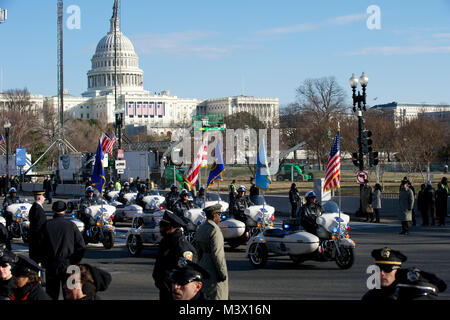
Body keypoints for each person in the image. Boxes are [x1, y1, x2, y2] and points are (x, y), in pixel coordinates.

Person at [38, 201, 86, 300]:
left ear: (53, 211)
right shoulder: (71, 225)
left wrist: (44, 262)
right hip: (69, 265)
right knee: (70, 294)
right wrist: (75, 261)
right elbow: (81, 245)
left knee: (51, 294)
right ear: (64, 211)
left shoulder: (46, 225)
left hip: (52, 265)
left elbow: (40, 246)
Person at [152, 210, 197, 300]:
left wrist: (170, 286)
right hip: (165, 290)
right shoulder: (166, 242)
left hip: (177, 292)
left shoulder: (182, 246)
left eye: (163, 226)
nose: (160, 229)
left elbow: (187, 272)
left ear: (171, 227)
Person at [193, 204, 229, 300]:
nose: (220, 217)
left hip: (203, 267)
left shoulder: (201, 228)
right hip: (214, 271)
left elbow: (198, 250)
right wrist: (222, 273)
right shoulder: (215, 230)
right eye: (219, 214)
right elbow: (218, 255)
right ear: (214, 215)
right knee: (218, 296)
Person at [28, 190, 47, 263]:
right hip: (37, 240)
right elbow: (39, 226)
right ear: (39, 198)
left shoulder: (35, 207)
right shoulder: (37, 209)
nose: (44, 198)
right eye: (43, 196)